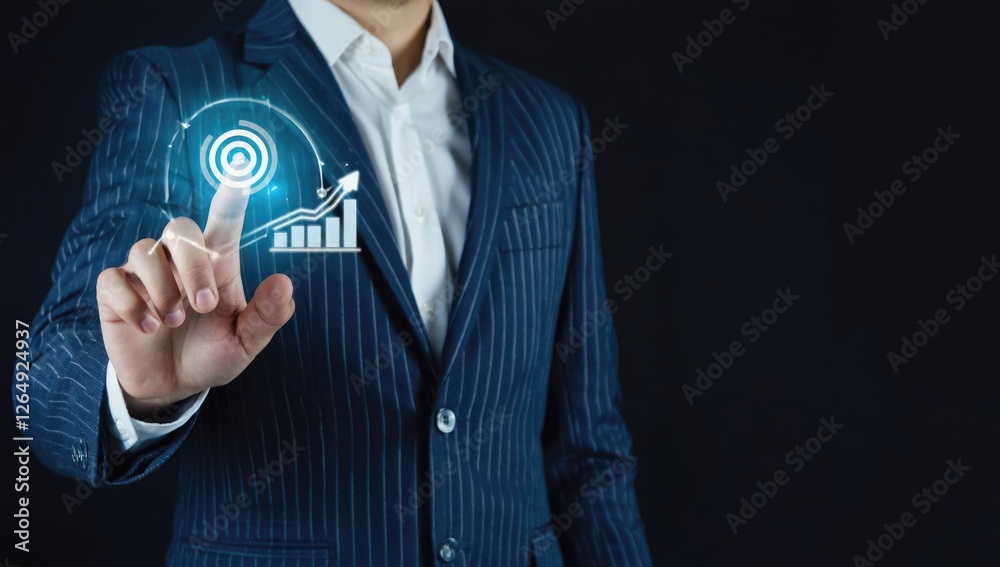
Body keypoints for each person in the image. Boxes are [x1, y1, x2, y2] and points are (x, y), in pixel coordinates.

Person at [24, 0, 654, 564]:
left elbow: (587, 450)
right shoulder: (176, 87)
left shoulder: (550, 121)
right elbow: (50, 381)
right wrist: (134, 392)